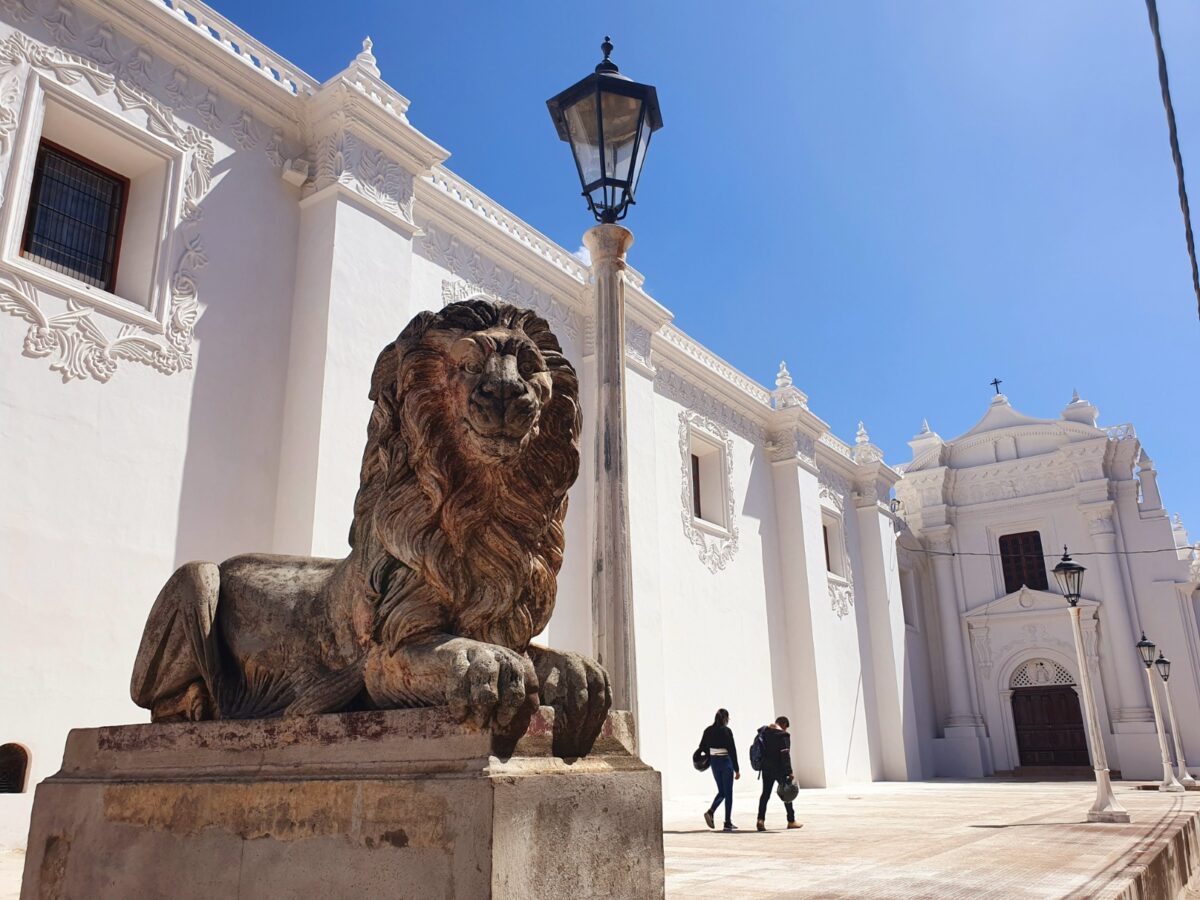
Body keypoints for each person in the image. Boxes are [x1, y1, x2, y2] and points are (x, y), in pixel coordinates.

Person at [698, 708, 741, 831]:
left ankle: (711, 812)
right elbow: (732, 750)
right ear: (726, 718)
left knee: (721, 791)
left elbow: (702, 746)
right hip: (726, 762)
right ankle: (727, 821)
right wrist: (737, 769)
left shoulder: (708, 730)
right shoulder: (726, 731)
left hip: (714, 763)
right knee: (728, 793)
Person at [756, 716, 801, 831]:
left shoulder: (765, 733)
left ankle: (760, 820)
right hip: (779, 769)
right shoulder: (783, 736)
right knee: (787, 793)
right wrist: (789, 771)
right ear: (784, 724)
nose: (786, 730)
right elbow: (785, 755)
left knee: (765, 794)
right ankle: (791, 820)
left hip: (766, 768)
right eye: (786, 727)